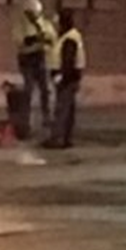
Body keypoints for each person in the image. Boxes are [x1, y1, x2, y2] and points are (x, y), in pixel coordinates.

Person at [44, 9, 86, 149]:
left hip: (66, 78)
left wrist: (59, 76)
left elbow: (68, 60)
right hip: (71, 77)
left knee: (61, 109)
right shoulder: (69, 36)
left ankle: (57, 139)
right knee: (68, 110)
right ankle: (66, 139)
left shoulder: (69, 38)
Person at [13, 0, 56, 128]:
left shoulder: (45, 24)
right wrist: (35, 39)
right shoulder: (20, 25)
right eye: (30, 13)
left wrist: (46, 40)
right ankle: (25, 120)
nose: (32, 16)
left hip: (41, 57)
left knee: (45, 89)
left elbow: (52, 39)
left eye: (34, 13)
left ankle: (46, 117)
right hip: (27, 58)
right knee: (28, 89)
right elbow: (19, 41)